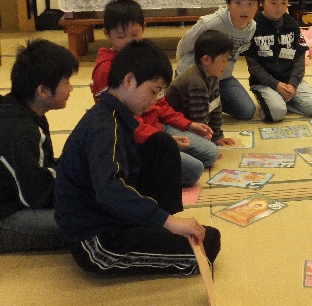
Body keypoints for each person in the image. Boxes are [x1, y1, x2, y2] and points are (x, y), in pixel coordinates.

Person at [55, 39, 221, 275]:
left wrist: (163, 219)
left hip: (113, 213)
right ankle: (162, 226)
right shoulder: (104, 126)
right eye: (153, 91)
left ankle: (159, 225)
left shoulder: (115, 113)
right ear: (129, 80)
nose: (154, 101)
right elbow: (109, 189)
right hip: (97, 238)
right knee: (208, 243)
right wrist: (167, 221)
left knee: (162, 144)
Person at [92, 0, 218, 187]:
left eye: (134, 34)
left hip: (157, 126)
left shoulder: (145, 55)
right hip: (133, 138)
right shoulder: (105, 70)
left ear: (144, 27)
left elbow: (160, 102)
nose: (129, 42)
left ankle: (163, 156)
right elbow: (121, 122)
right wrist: (161, 142)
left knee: (210, 152)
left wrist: (188, 124)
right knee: (194, 170)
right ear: (106, 34)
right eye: (121, 37)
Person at [0, 40, 78, 253]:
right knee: (87, 220)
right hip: (7, 217)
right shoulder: (19, 129)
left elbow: (42, 167)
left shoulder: (23, 110)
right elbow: (36, 195)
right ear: (43, 91)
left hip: (20, 198)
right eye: (66, 82)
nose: (71, 88)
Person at [175, 0, 261, 120]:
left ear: (258, 5)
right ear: (228, 3)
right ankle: (200, 99)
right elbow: (183, 46)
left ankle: (210, 100)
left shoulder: (251, 27)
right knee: (192, 115)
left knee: (247, 111)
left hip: (222, 77)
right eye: (238, 3)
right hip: (195, 76)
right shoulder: (211, 23)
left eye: (251, 4)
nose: (244, 9)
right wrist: (184, 73)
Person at [244, 0, 312, 122]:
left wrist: (293, 84)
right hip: (264, 83)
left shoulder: (290, 23)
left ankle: (283, 101)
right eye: (273, 3)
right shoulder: (253, 26)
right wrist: (275, 85)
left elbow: (299, 56)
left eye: (284, 3)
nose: (279, 8)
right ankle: (277, 103)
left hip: (289, 80)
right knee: (276, 114)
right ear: (262, 1)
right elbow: (253, 64)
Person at [166, 29, 238, 147]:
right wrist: (207, 145)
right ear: (206, 60)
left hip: (190, 124)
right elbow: (199, 120)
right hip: (175, 125)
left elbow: (215, 108)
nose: (226, 64)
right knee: (209, 152)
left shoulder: (212, 75)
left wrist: (217, 136)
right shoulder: (196, 82)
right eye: (223, 60)